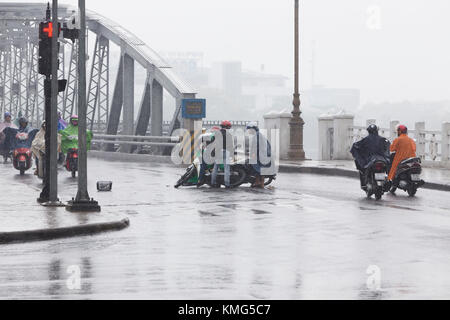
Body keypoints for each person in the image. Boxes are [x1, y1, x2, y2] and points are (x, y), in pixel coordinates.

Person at [350, 124, 391, 189]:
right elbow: (388, 148)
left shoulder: (365, 140)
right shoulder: (383, 140)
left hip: (370, 160)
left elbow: (355, 147)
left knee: (362, 168)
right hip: (382, 160)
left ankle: (365, 184)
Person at [246, 122, 272, 188]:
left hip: (261, 155)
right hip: (262, 155)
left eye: (249, 130)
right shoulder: (258, 135)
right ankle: (257, 182)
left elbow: (256, 146)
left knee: (259, 169)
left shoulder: (257, 136)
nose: (248, 131)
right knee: (257, 169)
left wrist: (253, 154)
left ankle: (262, 183)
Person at [211, 120, 234, 188]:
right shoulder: (229, 134)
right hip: (226, 152)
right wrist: (232, 154)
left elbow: (213, 143)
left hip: (218, 151)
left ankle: (213, 182)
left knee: (216, 167)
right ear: (227, 127)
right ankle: (227, 184)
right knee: (226, 168)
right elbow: (230, 145)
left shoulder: (217, 133)